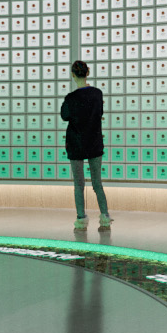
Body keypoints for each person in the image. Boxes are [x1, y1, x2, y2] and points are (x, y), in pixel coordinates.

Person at [60, 60, 112, 231]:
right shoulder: (97, 94)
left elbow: (64, 116)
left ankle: (81, 219)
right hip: (94, 142)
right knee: (97, 183)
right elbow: (99, 112)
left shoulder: (71, 98)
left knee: (79, 184)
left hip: (76, 144)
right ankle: (105, 217)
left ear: (73, 75)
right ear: (88, 72)